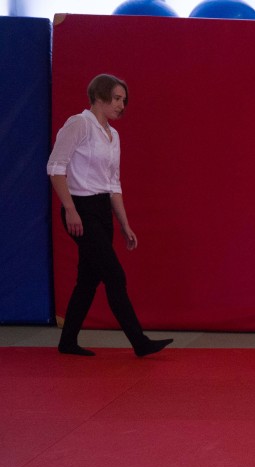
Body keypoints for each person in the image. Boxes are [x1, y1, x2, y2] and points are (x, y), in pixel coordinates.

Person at [46, 74, 172, 358]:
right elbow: (55, 167)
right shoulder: (79, 124)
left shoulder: (113, 136)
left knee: (88, 279)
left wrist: (124, 224)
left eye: (124, 100)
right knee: (114, 275)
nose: (121, 105)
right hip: (81, 208)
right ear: (99, 96)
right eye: (116, 99)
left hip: (102, 211)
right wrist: (70, 209)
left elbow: (113, 184)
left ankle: (67, 341)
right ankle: (139, 342)